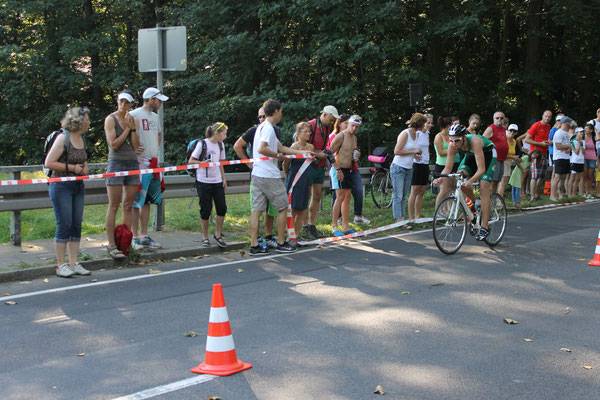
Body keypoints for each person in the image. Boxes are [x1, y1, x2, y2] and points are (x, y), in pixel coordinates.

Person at [249, 99, 312, 255]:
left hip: (257, 174)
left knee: (256, 210)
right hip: (269, 175)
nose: (281, 114)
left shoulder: (262, 127)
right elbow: (262, 149)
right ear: (276, 111)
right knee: (283, 208)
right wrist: (278, 156)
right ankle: (281, 243)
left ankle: (254, 245)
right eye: (281, 111)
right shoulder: (269, 128)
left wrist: (303, 153)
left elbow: (282, 147)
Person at [44, 107, 92, 277]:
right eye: (86, 119)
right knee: (64, 224)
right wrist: (73, 168)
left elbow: (82, 158)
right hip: (61, 186)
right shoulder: (63, 137)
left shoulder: (81, 138)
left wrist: (84, 167)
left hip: (78, 186)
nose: (89, 122)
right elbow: (49, 162)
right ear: (78, 121)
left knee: (75, 225)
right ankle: (61, 264)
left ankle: (73, 263)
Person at [433, 124, 497, 241]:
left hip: (488, 154)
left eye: (457, 140)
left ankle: (485, 226)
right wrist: (440, 179)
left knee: (483, 188)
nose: (454, 143)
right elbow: (447, 168)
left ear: (464, 137)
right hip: (471, 155)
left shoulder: (475, 142)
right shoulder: (453, 146)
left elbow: (481, 169)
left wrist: (471, 181)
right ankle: (475, 203)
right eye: (451, 140)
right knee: (459, 178)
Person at [233, 107, 281, 249]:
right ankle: (257, 239)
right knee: (257, 209)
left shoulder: (274, 130)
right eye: (259, 117)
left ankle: (269, 236)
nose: (261, 119)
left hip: (271, 174)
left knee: (271, 210)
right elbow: (237, 146)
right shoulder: (254, 130)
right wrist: (248, 163)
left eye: (263, 116)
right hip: (258, 174)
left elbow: (278, 148)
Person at [104, 90, 143, 259]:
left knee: (128, 204)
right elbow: (114, 145)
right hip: (116, 163)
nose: (123, 105)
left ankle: (125, 241)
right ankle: (112, 244)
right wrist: (127, 129)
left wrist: (132, 128)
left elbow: (136, 146)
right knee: (114, 205)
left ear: (131, 104)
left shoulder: (133, 120)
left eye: (127, 103)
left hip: (132, 163)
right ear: (117, 101)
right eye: (121, 102)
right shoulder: (110, 119)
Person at [130, 87, 169, 251]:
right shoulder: (134, 114)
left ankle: (144, 234)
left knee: (147, 201)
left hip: (153, 162)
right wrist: (134, 149)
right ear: (150, 99)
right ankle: (133, 236)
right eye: (158, 100)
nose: (160, 103)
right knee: (136, 200)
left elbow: (159, 134)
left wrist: (154, 149)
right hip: (139, 163)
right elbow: (127, 134)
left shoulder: (155, 116)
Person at [302, 105, 340, 240]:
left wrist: (324, 161)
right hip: (307, 165)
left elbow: (325, 147)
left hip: (318, 166)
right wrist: (318, 155)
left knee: (317, 196)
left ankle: (312, 224)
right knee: (305, 196)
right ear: (324, 115)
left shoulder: (327, 127)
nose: (332, 122)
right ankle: (304, 225)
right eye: (331, 119)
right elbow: (300, 147)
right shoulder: (310, 126)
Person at [189, 122, 228, 248]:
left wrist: (224, 179)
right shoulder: (203, 144)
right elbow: (191, 161)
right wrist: (202, 162)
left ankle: (218, 234)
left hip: (217, 181)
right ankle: (204, 236)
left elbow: (221, 162)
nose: (225, 137)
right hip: (203, 181)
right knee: (205, 210)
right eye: (224, 134)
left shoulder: (221, 145)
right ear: (217, 133)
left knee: (222, 208)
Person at [328, 114, 370, 225]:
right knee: (339, 198)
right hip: (338, 169)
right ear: (348, 124)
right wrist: (337, 169)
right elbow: (328, 153)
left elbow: (351, 153)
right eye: (352, 125)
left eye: (357, 127)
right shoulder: (340, 136)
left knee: (347, 199)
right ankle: (334, 225)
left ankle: (345, 225)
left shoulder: (354, 137)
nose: (354, 128)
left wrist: (356, 155)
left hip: (349, 169)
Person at [391, 113, 425, 223]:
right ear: (419, 124)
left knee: (404, 195)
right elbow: (397, 151)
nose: (424, 126)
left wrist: (415, 155)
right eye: (423, 124)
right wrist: (414, 151)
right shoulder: (405, 134)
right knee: (398, 195)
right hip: (398, 167)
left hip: (409, 167)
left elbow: (408, 150)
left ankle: (402, 219)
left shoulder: (417, 134)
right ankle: (398, 219)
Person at [283, 122, 314, 243]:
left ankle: (296, 235)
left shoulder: (310, 147)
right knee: (293, 208)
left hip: (306, 179)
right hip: (294, 179)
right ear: (298, 133)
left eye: (309, 131)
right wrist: (289, 177)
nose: (308, 134)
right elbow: (285, 164)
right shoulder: (294, 147)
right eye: (305, 131)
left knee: (302, 208)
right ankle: (289, 234)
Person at [408, 113, 432, 220]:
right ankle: (411, 217)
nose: (429, 125)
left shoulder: (427, 133)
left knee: (422, 190)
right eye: (427, 123)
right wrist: (414, 155)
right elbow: (408, 146)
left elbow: (427, 148)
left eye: (431, 123)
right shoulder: (415, 133)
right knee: (415, 190)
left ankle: (418, 215)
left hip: (425, 163)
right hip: (416, 163)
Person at [524, 110, 553, 201]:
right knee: (534, 176)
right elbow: (526, 139)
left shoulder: (548, 126)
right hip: (536, 153)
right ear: (542, 116)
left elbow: (547, 139)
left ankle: (536, 194)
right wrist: (540, 144)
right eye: (546, 116)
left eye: (549, 117)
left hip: (544, 153)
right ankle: (532, 196)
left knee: (542, 176)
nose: (547, 118)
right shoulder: (536, 125)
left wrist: (549, 142)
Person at [433, 116, 460, 209]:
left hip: (455, 163)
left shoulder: (452, 136)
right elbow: (440, 152)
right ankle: (438, 210)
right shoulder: (438, 136)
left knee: (452, 189)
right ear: (448, 126)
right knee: (444, 190)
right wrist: (453, 151)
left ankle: (448, 210)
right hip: (443, 165)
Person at [483, 111, 508, 195]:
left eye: (501, 118)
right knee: (492, 180)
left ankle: (493, 197)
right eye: (497, 118)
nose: (499, 119)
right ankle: (488, 198)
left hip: (501, 159)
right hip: (493, 159)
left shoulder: (504, 129)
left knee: (497, 180)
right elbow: (482, 141)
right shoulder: (491, 128)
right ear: (494, 119)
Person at [499, 124, 521, 198]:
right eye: (510, 130)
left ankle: (500, 199)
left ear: (516, 133)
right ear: (507, 131)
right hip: (503, 161)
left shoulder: (514, 141)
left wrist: (515, 157)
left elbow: (512, 153)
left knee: (505, 182)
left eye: (514, 131)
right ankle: (499, 201)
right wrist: (513, 157)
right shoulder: (504, 140)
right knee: (502, 182)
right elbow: (501, 153)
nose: (512, 132)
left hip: (509, 162)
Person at [568, 127, 585, 198]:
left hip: (581, 161)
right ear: (577, 133)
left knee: (578, 178)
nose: (582, 133)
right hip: (575, 161)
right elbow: (576, 152)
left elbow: (584, 152)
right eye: (580, 132)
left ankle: (574, 194)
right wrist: (579, 144)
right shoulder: (573, 141)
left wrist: (581, 145)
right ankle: (569, 194)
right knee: (572, 177)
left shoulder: (583, 141)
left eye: (582, 132)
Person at [582, 123, 597, 198]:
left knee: (590, 175)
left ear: (591, 130)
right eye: (585, 128)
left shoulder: (593, 137)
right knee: (584, 175)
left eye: (587, 129)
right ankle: (584, 192)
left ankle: (589, 191)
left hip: (592, 157)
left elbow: (598, 138)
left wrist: (596, 131)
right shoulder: (583, 136)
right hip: (584, 157)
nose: (585, 130)